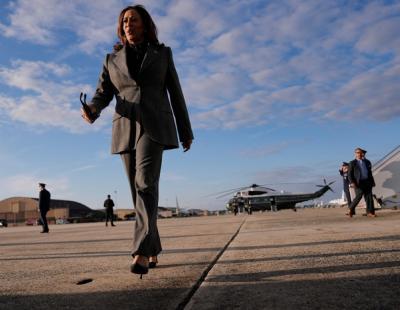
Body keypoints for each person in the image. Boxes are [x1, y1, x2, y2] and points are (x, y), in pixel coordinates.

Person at [81, 5, 193, 277]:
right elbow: (102, 93)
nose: (128, 24)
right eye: (124, 21)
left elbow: (175, 92)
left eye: (134, 20)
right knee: (137, 192)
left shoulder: (163, 54)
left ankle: (140, 251)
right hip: (125, 126)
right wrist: (92, 110)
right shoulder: (111, 59)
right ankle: (153, 246)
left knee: (145, 184)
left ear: (145, 24)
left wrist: (185, 130)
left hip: (155, 124)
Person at [347, 148, 376, 217]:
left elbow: (370, 173)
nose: (359, 154)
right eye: (357, 153)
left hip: (367, 181)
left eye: (360, 153)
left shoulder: (367, 162)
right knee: (359, 195)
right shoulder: (352, 163)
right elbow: (349, 174)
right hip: (358, 182)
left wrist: (372, 181)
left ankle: (370, 212)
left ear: (362, 154)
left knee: (369, 196)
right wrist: (352, 182)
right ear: (355, 154)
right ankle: (351, 209)